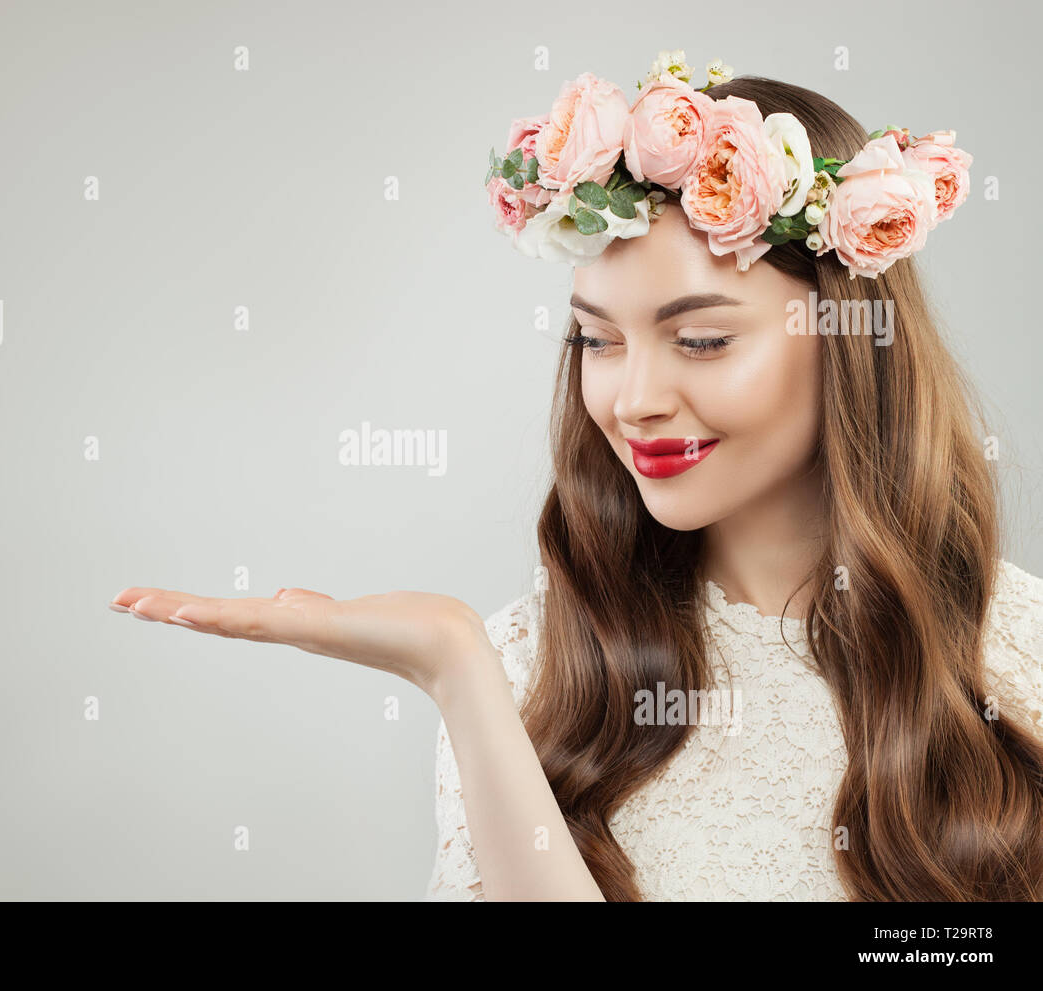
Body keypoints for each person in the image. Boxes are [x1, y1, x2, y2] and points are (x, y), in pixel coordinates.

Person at [109, 55, 1043, 901]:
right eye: (596, 340)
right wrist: (456, 668)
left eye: (702, 339)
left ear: (849, 342)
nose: (633, 399)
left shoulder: (1020, 648)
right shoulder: (525, 670)